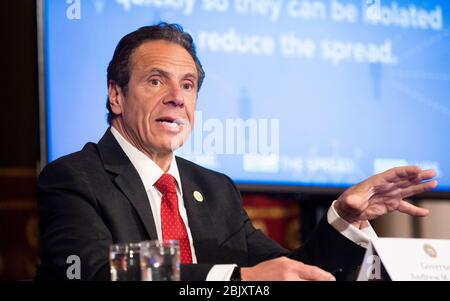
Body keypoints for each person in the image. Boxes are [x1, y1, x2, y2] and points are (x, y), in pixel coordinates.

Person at [36, 23, 437, 281]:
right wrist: (238, 281)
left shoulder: (215, 189)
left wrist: (344, 216)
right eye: (156, 81)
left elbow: (290, 271)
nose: (177, 98)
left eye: (189, 85)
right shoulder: (74, 178)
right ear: (116, 95)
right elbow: (90, 274)